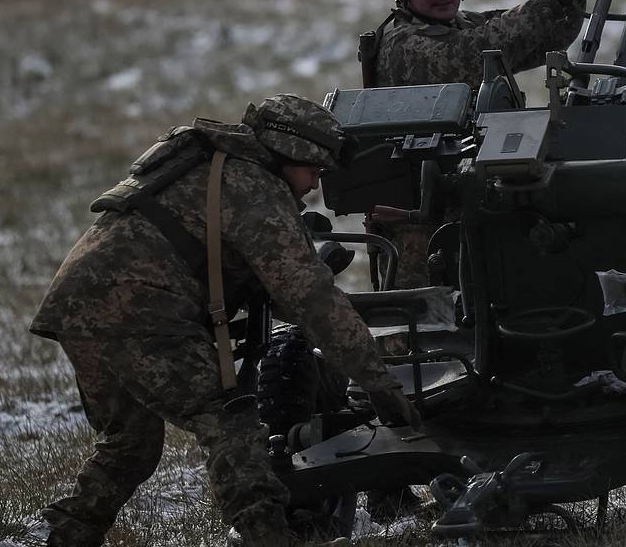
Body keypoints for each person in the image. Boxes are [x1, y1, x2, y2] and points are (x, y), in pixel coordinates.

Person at [31, 95, 417, 547]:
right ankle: (268, 538)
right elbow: (311, 297)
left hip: (77, 303)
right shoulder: (254, 188)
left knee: (129, 446)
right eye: (314, 169)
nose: (314, 185)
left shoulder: (214, 167)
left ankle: (64, 535)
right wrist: (378, 384)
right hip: (139, 308)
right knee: (230, 422)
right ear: (286, 153)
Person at [361, 0, 595, 290]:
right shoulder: (403, 44)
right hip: (422, 226)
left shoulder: (458, 24)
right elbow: (477, 51)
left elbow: (540, 38)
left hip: (471, 198)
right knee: (425, 329)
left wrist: (569, 0)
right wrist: (551, 4)